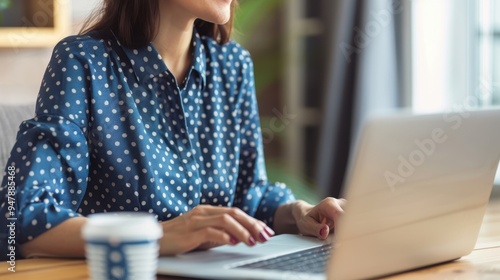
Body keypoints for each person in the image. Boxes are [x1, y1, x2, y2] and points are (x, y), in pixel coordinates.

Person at [0, 0, 345, 260]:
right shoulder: (82, 63)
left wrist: (299, 214)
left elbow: (249, 195)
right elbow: (20, 217)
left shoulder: (232, 66)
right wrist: (154, 235)